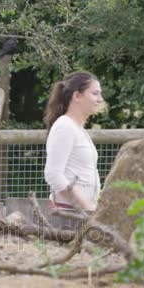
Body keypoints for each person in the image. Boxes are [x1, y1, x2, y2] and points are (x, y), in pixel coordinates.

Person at [43, 71, 103, 211]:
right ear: (77, 96)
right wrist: (86, 206)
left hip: (81, 212)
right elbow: (53, 174)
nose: (100, 99)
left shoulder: (78, 129)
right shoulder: (64, 126)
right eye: (95, 93)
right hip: (67, 214)